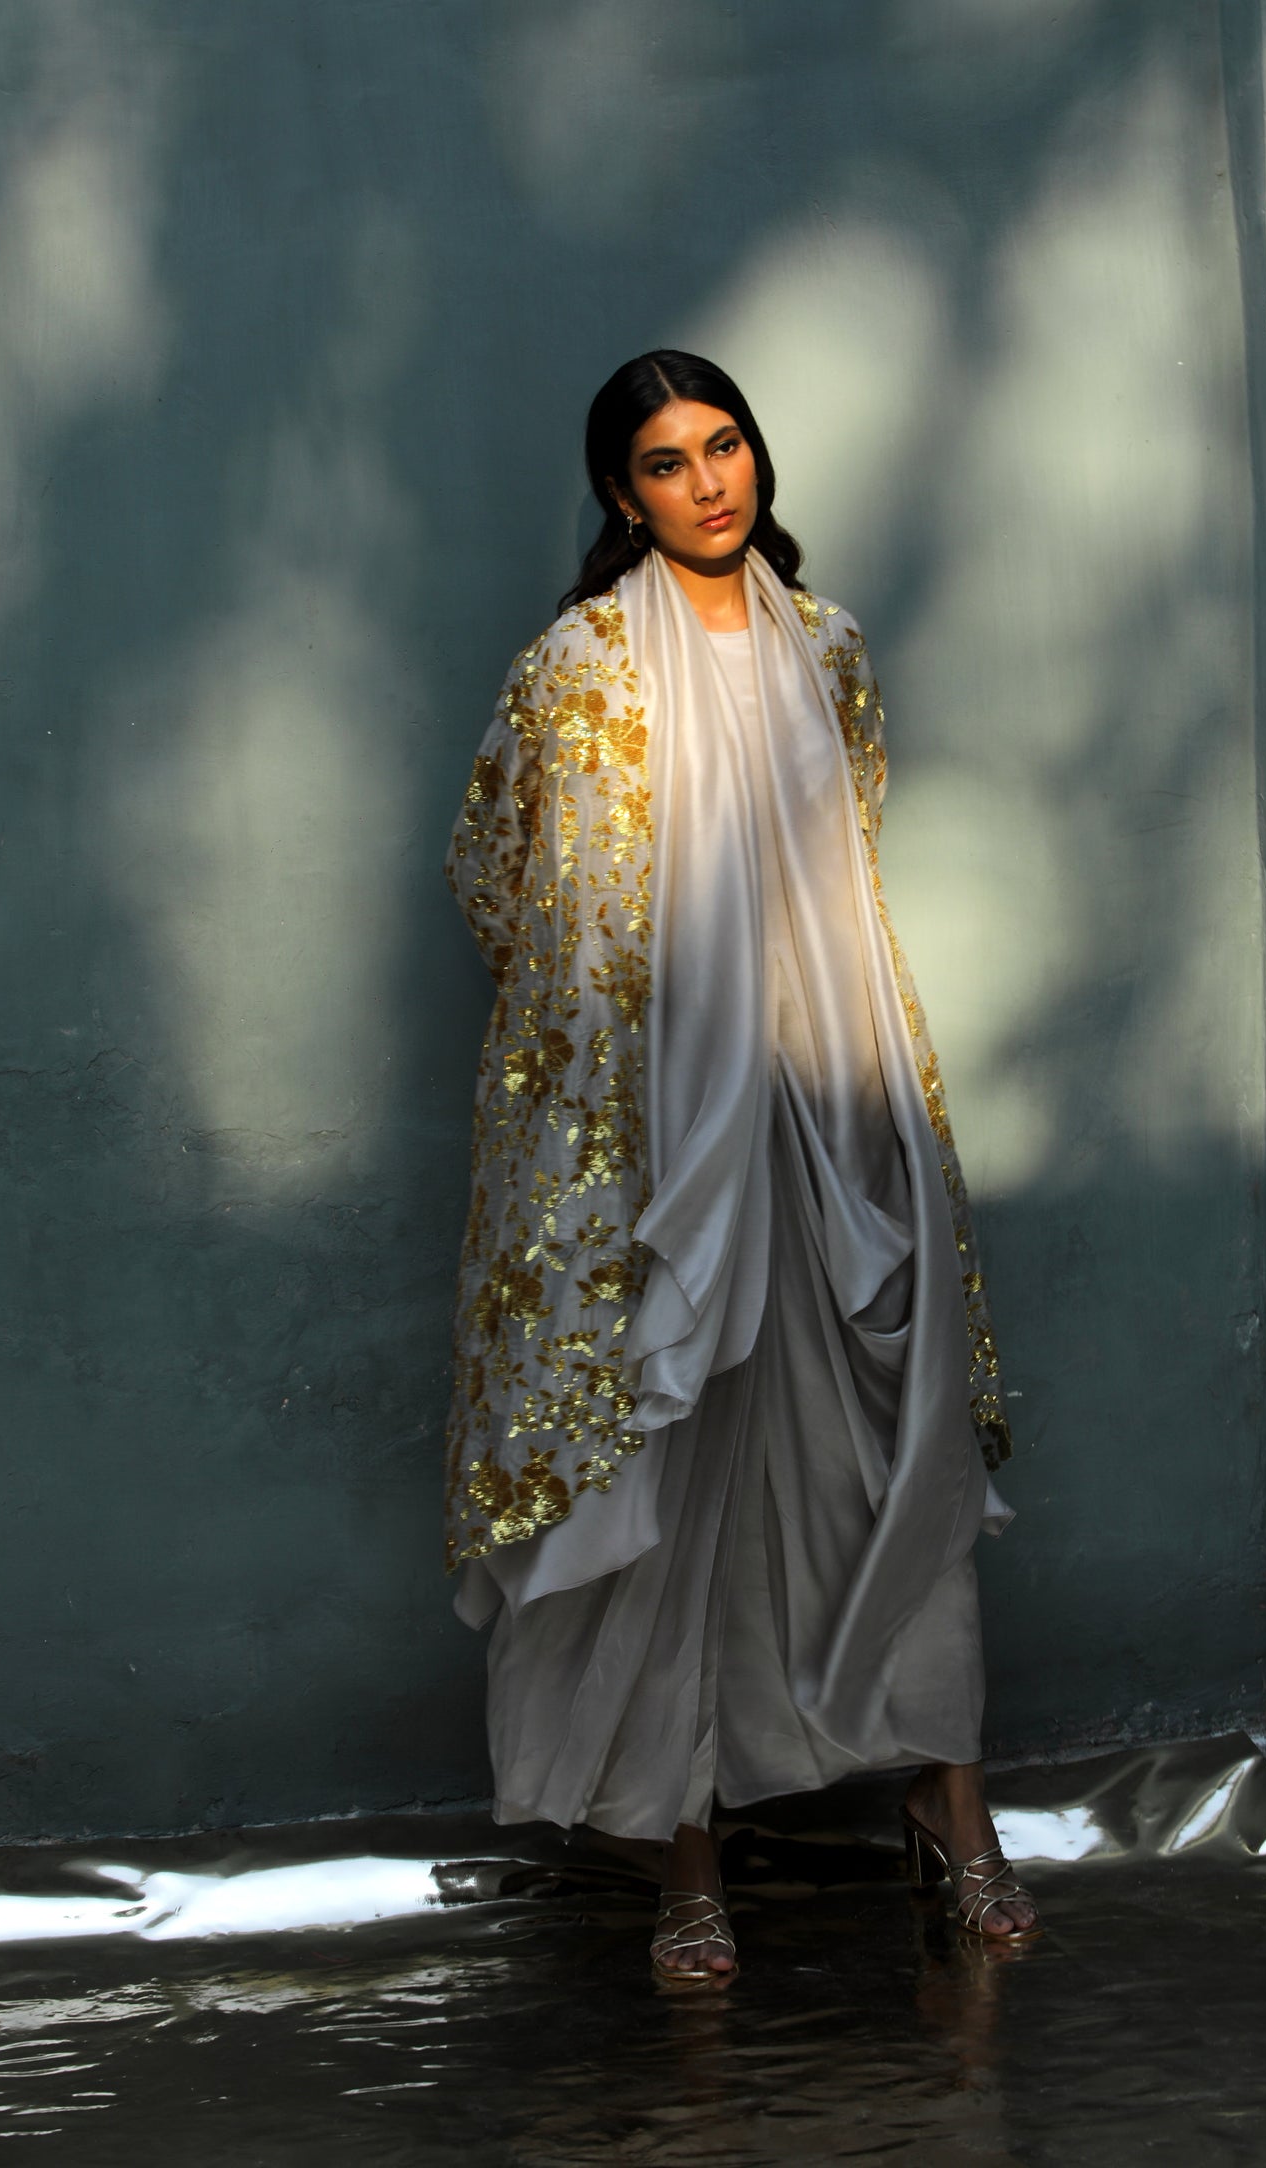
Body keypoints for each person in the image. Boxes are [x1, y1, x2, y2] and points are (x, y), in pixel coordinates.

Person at [444, 350, 1040, 1982]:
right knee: (673, 1459)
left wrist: (796, 1023)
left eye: (724, 448)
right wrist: (637, 1057)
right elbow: (495, 869)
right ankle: (681, 1850)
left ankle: (949, 1807)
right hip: (654, 1127)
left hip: (834, 1094)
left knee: (889, 1438)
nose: (707, 484)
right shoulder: (577, 666)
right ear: (619, 493)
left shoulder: (824, 642)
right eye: (665, 462)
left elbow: (843, 845)